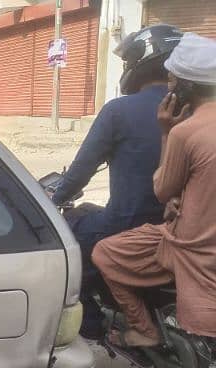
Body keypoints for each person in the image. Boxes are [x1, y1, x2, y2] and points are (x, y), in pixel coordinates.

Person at [52, 24, 183, 338]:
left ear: (138, 64)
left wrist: (54, 199)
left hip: (128, 225)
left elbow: (81, 171)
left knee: (66, 239)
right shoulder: (197, 112)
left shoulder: (119, 111)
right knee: (87, 212)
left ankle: (93, 325)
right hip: (182, 228)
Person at [92, 32, 216, 347]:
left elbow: (162, 189)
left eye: (173, 81)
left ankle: (144, 330)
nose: (169, 87)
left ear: (187, 86)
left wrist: (165, 132)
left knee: (104, 253)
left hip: (187, 242)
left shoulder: (184, 132)